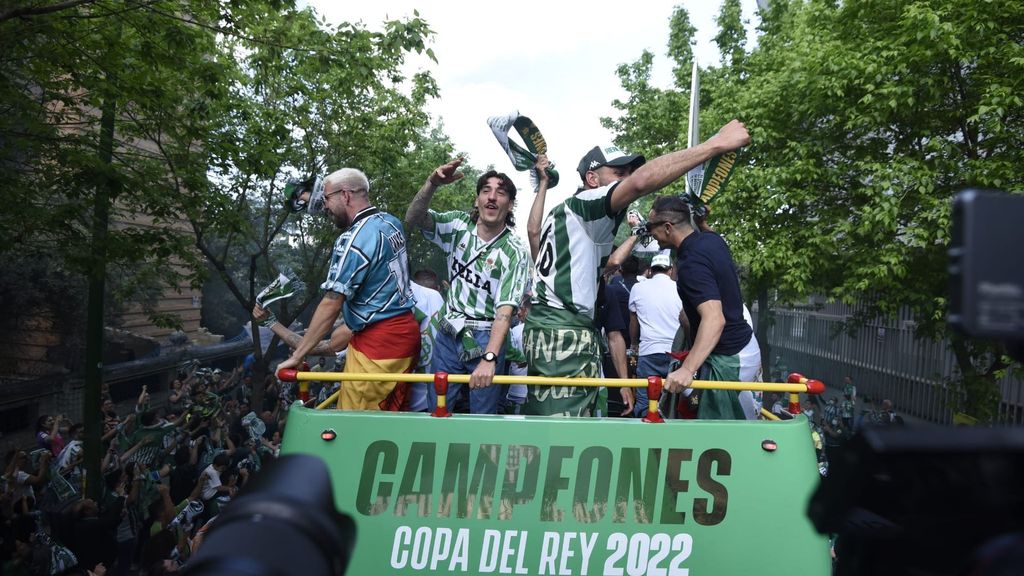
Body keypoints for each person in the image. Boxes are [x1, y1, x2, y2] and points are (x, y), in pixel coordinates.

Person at [524, 120, 751, 416]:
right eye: (619, 173)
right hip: (562, 330)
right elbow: (642, 182)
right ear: (592, 178)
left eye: (629, 172)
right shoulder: (589, 203)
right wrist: (715, 145)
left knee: (576, 429)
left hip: (563, 328)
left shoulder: (568, 216)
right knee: (563, 435)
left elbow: (533, 234)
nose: (627, 180)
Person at [276, 168, 419, 410]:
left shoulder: (353, 239)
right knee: (390, 418)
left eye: (327, 199)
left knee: (356, 427)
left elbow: (332, 302)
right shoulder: (390, 222)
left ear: (345, 195)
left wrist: (297, 355)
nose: (325, 207)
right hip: (405, 334)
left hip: (378, 346)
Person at [405, 158, 530, 414]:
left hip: (486, 337)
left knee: (483, 417)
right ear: (477, 200)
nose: (492, 197)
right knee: (437, 410)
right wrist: (432, 183)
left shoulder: (515, 251)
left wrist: (490, 358)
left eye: (501, 192)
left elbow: (505, 312)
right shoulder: (458, 226)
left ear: (510, 204)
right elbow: (413, 218)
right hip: (449, 333)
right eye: (486, 191)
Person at [648, 194, 761, 419]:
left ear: (668, 227)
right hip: (744, 346)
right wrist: (701, 223)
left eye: (652, 226)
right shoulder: (711, 240)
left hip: (730, 359)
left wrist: (687, 369)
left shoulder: (690, 265)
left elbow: (714, 319)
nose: (651, 233)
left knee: (720, 440)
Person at [628, 250, 682, 418]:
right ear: (670, 270)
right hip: (675, 354)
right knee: (674, 403)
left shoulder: (638, 288)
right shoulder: (680, 288)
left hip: (648, 352)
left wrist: (634, 345)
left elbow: (633, 323)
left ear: (651, 270)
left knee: (644, 402)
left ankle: (642, 438)